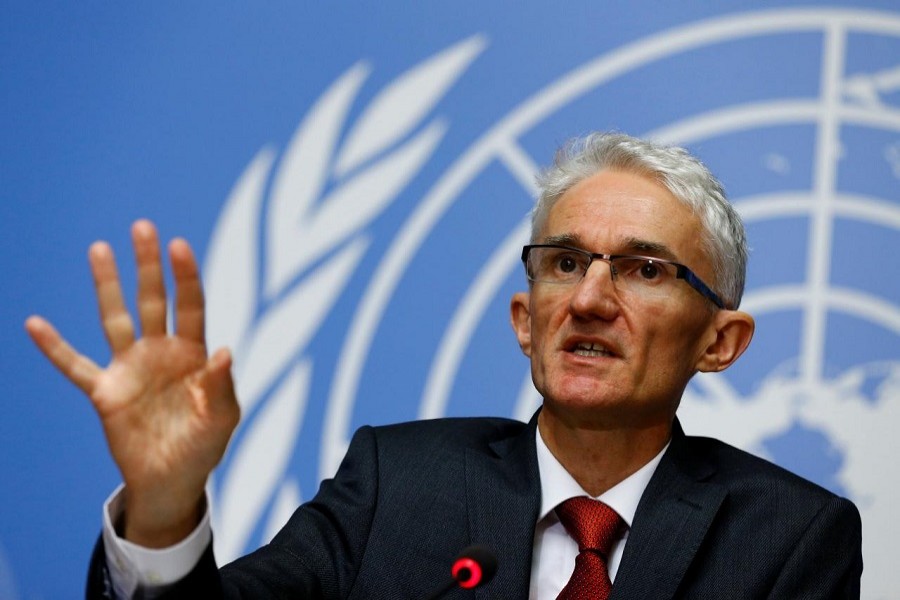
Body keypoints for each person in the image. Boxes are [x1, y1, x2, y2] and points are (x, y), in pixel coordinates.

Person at [26, 132, 862, 599]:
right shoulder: (396, 483)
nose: (591, 299)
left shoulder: (791, 538)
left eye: (644, 269)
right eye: (564, 263)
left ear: (721, 342)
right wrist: (166, 514)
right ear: (524, 320)